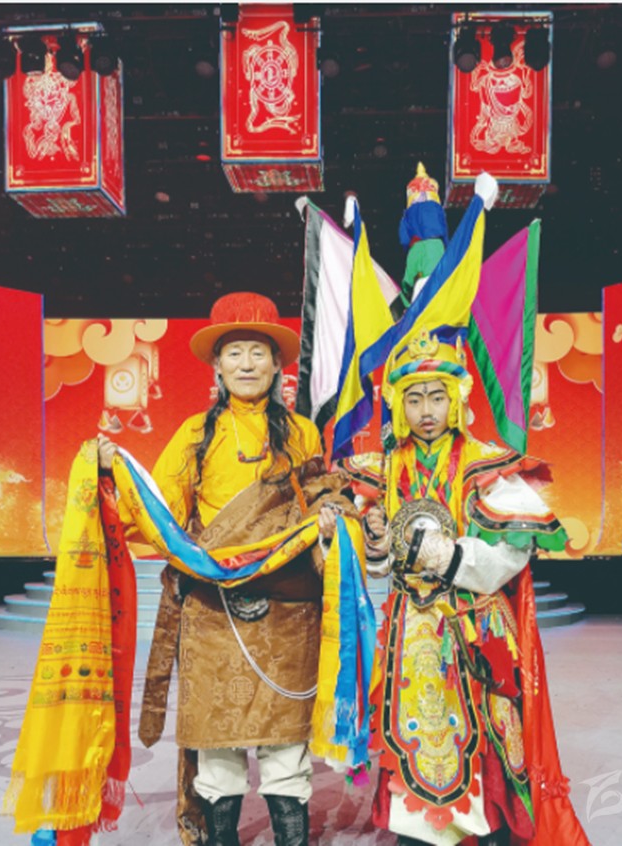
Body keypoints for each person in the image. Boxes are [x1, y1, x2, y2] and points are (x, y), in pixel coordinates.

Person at [98, 292, 343, 846]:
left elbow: (318, 497)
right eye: (235, 353)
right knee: (217, 755)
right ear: (217, 365)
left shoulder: (302, 433)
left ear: (277, 365)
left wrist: (332, 517)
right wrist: (113, 473)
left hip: (286, 614)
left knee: (286, 754)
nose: (247, 364)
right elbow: (157, 511)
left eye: (258, 352)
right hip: (213, 612)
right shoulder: (193, 434)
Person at [340, 330, 590, 846]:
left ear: (456, 399)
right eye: (413, 399)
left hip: (475, 629)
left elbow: (511, 555)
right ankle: (419, 833)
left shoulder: (487, 466)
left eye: (436, 396)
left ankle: (485, 828)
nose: (426, 411)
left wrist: (442, 554)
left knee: (488, 741)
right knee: (413, 735)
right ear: (398, 405)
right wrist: (378, 543)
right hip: (410, 631)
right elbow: (374, 567)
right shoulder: (381, 470)